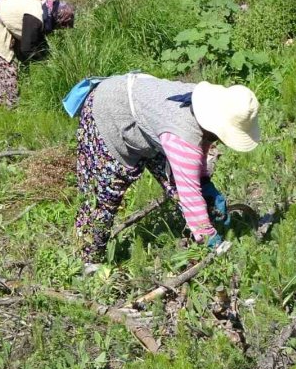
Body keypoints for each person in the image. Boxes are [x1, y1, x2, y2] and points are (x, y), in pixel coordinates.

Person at [74, 73, 260, 270]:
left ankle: (207, 221)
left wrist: (205, 182)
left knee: (178, 181)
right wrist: (210, 240)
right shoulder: (183, 135)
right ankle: (88, 265)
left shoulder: (204, 107)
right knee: (103, 196)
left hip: (148, 120)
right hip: (107, 112)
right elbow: (190, 190)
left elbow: (202, 143)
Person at [0, 0, 75, 107]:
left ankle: (17, 96)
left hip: (3, 18)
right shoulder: (35, 18)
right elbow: (27, 49)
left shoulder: (44, 10)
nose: (58, 29)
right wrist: (45, 61)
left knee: (22, 62)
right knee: (5, 69)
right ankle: (9, 107)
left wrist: (49, 57)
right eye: (60, 26)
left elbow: (38, 42)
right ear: (56, 19)